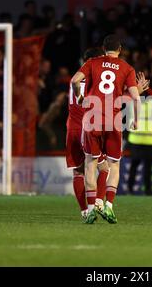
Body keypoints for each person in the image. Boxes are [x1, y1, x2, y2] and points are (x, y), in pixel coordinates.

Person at [71, 35, 141, 224]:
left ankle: (92, 208)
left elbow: (74, 80)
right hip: (113, 120)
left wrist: (79, 96)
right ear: (120, 50)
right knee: (113, 165)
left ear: (103, 48)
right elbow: (135, 98)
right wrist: (135, 119)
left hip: (92, 118)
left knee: (90, 164)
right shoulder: (127, 68)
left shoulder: (93, 62)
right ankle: (108, 206)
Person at [66, 47, 110, 220]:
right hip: (88, 129)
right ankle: (98, 201)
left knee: (78, 172)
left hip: (72, 129)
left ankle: (85, 211)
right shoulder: (95, 80)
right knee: (104, 168)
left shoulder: (75, 79)